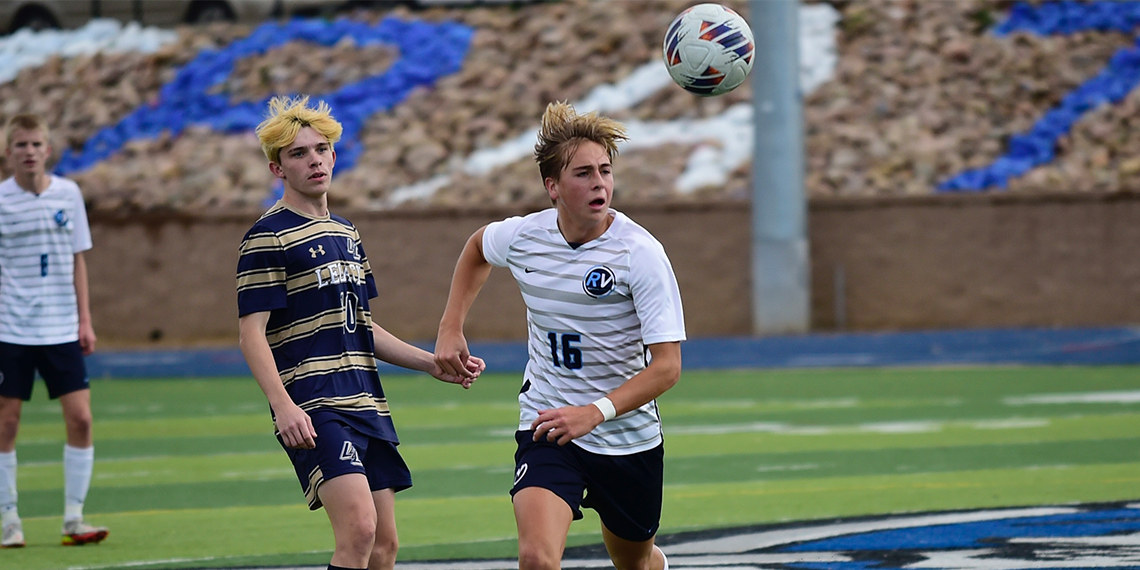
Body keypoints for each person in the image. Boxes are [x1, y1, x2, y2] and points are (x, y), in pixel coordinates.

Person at [237, 95, 484, 570]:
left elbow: (360, 326)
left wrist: (432, 364)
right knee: (359, 530)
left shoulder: (346, 233)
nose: (313, 160)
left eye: (320, 149)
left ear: (333, 155)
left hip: (366, 402)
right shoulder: (267, 237)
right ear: (277, 169)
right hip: (315, 405)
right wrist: (283, 406)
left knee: (385, 546)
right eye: (298, 153)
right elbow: (252, 334)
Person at [435, 101, 685, 570]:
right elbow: (477, 248)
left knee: (635, 563)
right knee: (536, 558)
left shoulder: (641, 254)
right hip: (547, 422)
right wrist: (451, 327)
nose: (599, 183)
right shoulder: (525, 236)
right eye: (584, 172)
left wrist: (595, 412)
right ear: (552, 187)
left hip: (626, 438)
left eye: (606, 171)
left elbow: (667, 368)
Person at [0, 114, 108, 548]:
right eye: (21, 144)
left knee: (81, 419)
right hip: (11, 328)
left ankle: (74, 518)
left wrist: (85, 319)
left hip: (61, 326)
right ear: (9, 152)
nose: (29, 151)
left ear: (48, 150)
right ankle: (9, 518)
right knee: (6, 424)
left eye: (36, 144)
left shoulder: (69, 193)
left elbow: (78, 259)